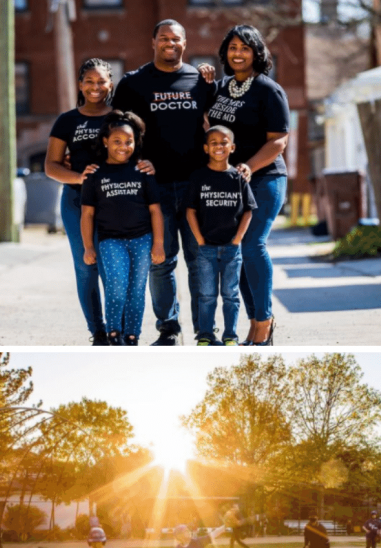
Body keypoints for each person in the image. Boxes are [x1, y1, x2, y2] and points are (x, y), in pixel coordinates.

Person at [112, 19, 219, 346]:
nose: (170, 43)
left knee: (200, 261)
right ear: (153, 41)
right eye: (164, 38)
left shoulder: (201, 81)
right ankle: (169, 329)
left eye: (176, 39)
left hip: (194, 187)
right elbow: (117, 134)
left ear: (184, 44)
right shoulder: (133, 84)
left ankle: (205, 331)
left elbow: (218, 128)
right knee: (160, 262)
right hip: (153, 188)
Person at [206, 25, 291, 346]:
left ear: (257, 53)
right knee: (236, 253)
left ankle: (263, 322)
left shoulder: (268, 90)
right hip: (230, 184)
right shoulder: (222, 87)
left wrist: (248, 165)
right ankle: (259, 324)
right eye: (232, 48)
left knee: (252, 244)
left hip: (265, 177)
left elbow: (279, 140)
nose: (238, 53)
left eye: (245, 48)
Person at [80, 110, 166, 345]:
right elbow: (87, 214)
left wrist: (158, 243)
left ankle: (132, 335)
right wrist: (88, 247)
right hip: (111, 240)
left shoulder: (142, 171)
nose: (123, 146)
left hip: (142, 239)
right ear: (106, 141)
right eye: (116, 141)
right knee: (117, 287)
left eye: (128, 141)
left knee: (137, 290)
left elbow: (155, 210)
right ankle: (114, 333)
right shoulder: (95, 174)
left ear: (135, 142)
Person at [45, 58, 115, 345]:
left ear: (110, 84)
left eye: (101, 82)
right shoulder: (67, 121)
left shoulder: (121, 117)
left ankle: (116, 329)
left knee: (114, 267)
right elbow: (51, 166)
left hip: (116, 203)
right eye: (89, 81)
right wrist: (80, 178)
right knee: (86, 266)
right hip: (76, 202)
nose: (95, 87)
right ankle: (98, 331)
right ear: (80, 84)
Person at [186, 126, 257, 346]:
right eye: (214, 142)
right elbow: (190, 211)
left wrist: (237, 240)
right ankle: (206, 334)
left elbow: (248, 210)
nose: (219, 146)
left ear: (232, 147)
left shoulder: (238, 177)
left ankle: (230, 336)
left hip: (231, 248)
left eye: (224, 142)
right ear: (206, 148)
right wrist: (199, 240)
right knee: (206, 295)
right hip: (206, 248)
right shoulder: (198, 177)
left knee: (230, 295)